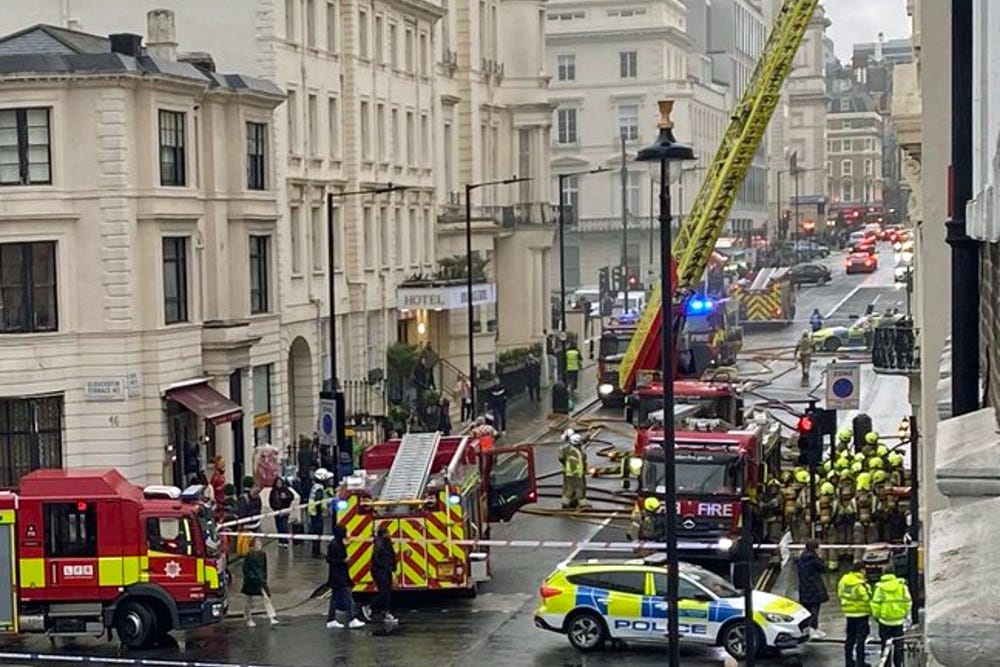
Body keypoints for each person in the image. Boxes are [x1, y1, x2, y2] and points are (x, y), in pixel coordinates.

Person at [871, 566, 912, 667]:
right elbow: (908, 602)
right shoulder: (902, 586)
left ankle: (886, 664)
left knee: (885, 645)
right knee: (899, 646)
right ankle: (899, 664)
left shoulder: (880, 588)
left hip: (884, 621)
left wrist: (877, 616)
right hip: (898, 621)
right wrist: (904, 614)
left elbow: (875, 604)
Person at [326, 525, 365, 629]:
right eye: (346, 531)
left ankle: (331, 619)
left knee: (335, 598)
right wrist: (344, 561)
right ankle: (352, 619)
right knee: (348, 597)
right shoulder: (336, 545)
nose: (348, 533)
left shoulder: (336, 543)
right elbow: (330, 559)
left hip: (337, 576)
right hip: (339, 577)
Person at [837, 561, 873, 667]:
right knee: (861, 639)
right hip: (861, 614)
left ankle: (848, 661)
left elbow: (840, 593)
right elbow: (867, 598)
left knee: (850, 638)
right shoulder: (860, 583)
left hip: (849, 614)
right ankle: (860, 662)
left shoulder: (844, 580)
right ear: (861, 570)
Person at [363, 526, 398, 624]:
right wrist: (388, 568)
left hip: (385, 571)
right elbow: (376, 559)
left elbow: (391, 557)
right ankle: (369, 607)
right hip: (380, 572)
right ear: (383, 534)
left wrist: (393, 570)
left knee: (387, 593)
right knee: (384, 593)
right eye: (388, 532)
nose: (390, 534)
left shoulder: (386, 543)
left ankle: (387, 613)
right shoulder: (379, 545)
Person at [796, 539, 829, 639]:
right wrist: (820, 558)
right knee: (815, 610)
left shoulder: (801, 558)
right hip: (814, 589)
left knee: (806, 611)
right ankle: (814, 629)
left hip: (804, 588)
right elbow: (823, 568)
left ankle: (806, 629)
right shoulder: (814, 559)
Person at [242, 538, 279, 627]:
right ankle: (248, 618)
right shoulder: (249, 555)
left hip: (260, 580)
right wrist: (252, 577)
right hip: (251, 581)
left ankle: (271, 617)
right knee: (249, 601)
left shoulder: (262, 554)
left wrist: (264, 578)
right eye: (257, 544)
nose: (259, 546)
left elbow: (264, 567)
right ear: (253, 546)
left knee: (266, 598)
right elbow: (245, 569)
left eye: (260, 544)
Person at [558, 433, 588, 509]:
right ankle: (582, 504)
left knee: (569, 488)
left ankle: (566, 503)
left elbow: (561, 458)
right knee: (580, 488)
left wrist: (587, 435)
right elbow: (583, 458)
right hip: (577, 473)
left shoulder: (567, 450)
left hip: (568, 473)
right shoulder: (577, 452)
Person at [308, 469, 333, 558]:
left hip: (314, 513)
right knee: (318, 533)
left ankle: (316, 551)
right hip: (316, 514)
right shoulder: (319, 488)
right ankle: (316, 552)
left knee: (317, 533)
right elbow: (318, 501)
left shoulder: (316, 486)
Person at [269, 477, 294, 548]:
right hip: (276, 512)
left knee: (284, 526)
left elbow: (292, 497)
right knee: (279, 526)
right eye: (277, 483)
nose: (278, 484)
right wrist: (274, 509)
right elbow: (271, 501)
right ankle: (280, 541)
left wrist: (286, 497)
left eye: (280, 483)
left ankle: (285, 541)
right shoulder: (273, 491)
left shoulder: (285, 490)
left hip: (284, 511)